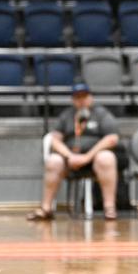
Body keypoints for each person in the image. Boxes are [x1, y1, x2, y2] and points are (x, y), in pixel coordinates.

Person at [26, 81, 119, 221]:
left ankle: (109, 208)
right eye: (77, 97)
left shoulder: (101, 114)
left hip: (93, 159)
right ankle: (46, 208)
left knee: (107, 157)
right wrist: (69, 156)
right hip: (70, 159)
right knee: (53, 161)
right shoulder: (67, 115)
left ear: (90, 97)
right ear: (73, 99)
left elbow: (112, 138)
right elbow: (54, 139)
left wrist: (87, 157)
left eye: (84, 96)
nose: (81, 100)